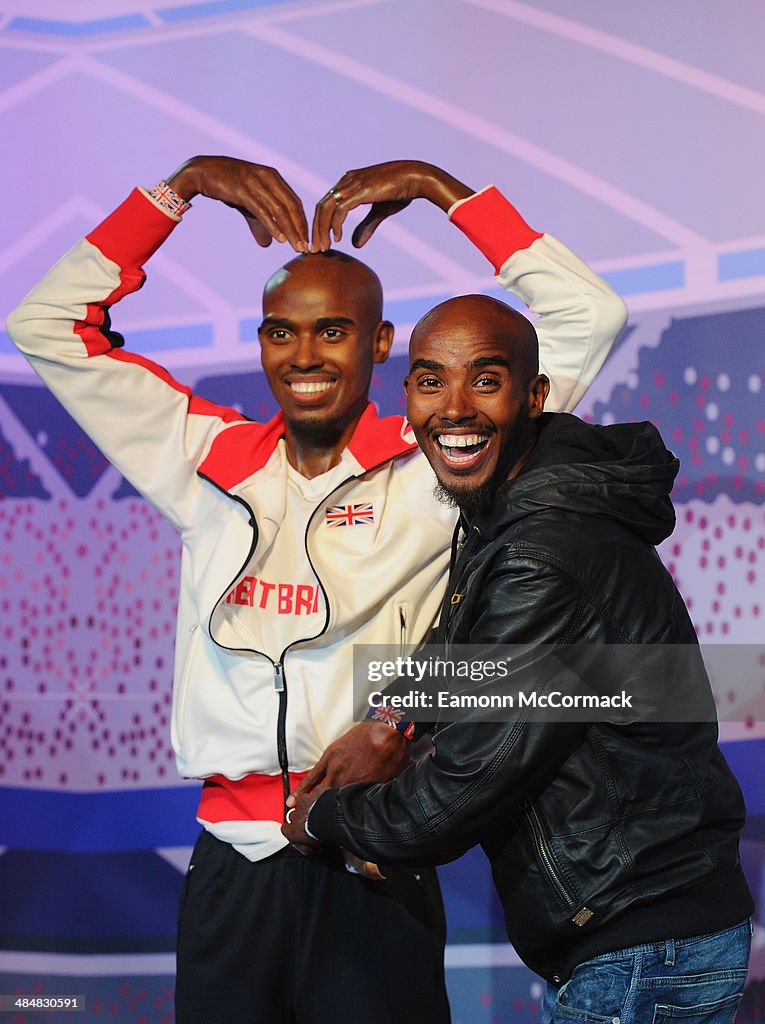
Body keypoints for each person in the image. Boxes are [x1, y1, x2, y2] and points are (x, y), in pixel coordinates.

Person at [8, 158, 626, 1024]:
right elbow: (44, 324)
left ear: (379, 345)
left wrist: (450, 196)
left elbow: (586, 316)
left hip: (373, 856)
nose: (303, 356)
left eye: (333, 332)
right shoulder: (201, 460)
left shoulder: (435, 464)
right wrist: (172, 195)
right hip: (231, 860)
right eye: (280, 332)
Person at [284, 294, 754, 1024]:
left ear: (533, 394)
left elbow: (459, 788)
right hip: (644, 936)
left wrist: (322, 818)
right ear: (406, 396)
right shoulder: (516, 508)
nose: (454, 406)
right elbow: (474, 654)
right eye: (431, 380)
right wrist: (393, 717)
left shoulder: (543, 549)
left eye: (486, 378)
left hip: (637, 949)